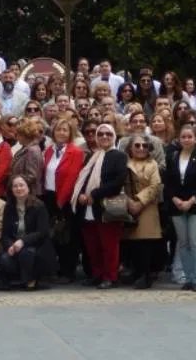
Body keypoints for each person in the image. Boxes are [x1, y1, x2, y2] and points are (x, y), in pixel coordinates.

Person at [72, 122, 128, 289]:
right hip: (88, 208)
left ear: (114, 137)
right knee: (92, 245)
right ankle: (97, 275)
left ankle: (110, 276)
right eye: (101, 134)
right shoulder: (92, 156)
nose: (104, 137)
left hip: (105, 207)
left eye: (108, 134)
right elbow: (83, 178)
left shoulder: (118, 156)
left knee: (109, 245)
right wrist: (81, 194)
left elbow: (117, 182)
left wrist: (93, 195)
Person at [165, 124, 196, 291]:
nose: (186, 139)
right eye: (183, 136)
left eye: (189, 136)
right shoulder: (173, 156)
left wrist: (191, 201)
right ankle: (189, 278)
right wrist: (175, 199)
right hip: (177, 205)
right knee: (183, 243)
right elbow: (168, 182)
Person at [43, 117, 85, 283]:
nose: (61, 133)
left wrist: (61, 202)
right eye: (58, 129)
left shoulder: (75, 152)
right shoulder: (48, 151)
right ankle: (57, 267)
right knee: (54, 234)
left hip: (65, 199)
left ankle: (69, 271)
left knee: (68, 236)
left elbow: (72, 177)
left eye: (65, 130)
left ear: (70, 133)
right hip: (49, 196)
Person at [122, 132, 163, 289]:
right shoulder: (124, 163)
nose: (141, 148)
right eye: (137, 145)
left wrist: (139, 201)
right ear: (130, 148)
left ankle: (146, 275)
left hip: (147, 207)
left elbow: (155, 186)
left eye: (144, 146)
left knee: (146, 243)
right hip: (127, 206)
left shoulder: (153, 165)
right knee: (132, 243)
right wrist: (128, 201)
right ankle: (135, 272)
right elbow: (120, 184)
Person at [0, 175, 53, 290]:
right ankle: (20, 278)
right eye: (15, 186)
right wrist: (10, 246)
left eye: (22, 185)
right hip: (15, 246)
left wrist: (23, 241)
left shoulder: (39, 206)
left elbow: (42, 232)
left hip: (35, 246)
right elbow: (5, 234)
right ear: (11, 190)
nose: (19, 189)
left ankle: (31, 279)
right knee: (4, 259)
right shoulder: (9, 207)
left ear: (28, 188)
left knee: (26, 253)